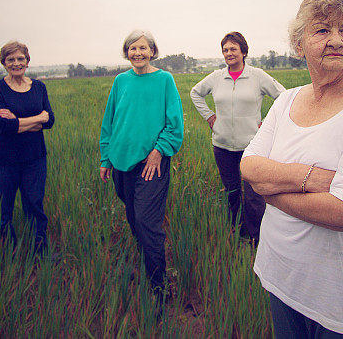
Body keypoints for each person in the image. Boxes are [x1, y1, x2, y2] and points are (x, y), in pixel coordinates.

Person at [241, 0, 343, 338]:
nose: (336, 40)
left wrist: (271, 192)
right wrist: (312, 178)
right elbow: (250, 166)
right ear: (299, 46)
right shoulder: (286, 101)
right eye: (322, 30)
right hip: (281, 275)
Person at [99, 30, 184, 297]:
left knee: (148, 224)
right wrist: (106, 158)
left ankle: (160, 288)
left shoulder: (165, 80)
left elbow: (175, 124)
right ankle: (147, 263)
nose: (138, 53)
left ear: (153, 51)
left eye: (143, 48)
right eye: (133, 48)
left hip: (151, 164)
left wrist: (159, 150)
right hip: (121, 162)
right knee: (134, 219)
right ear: (127, 53)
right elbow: (109, 123)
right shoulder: (120, 82)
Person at [189, 32, 285, 244]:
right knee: (232, 192)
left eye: (233, 49)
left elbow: (283, 96)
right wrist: (209, 116)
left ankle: (256, 238)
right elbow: (195, 93)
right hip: (222, 146)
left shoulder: (257, 76)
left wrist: (268, 123)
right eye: (225, 50)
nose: (229, 53)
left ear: (243, 51)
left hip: (251, 147)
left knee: (253, 196)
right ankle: (237, 231)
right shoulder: (216, 77)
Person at [0, 40, 55, 255]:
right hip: (0, 161)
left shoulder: (39, 87)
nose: (16, 63)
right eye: (10, 59)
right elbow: (2, 126)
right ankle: (9, 256)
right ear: (4, 63)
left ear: (28, 61)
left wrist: (18, 121)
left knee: (34, 205)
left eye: (20, 58)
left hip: (34, 158)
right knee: (2, 210)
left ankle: (40, 253)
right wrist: (36, 119)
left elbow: (50, 121)